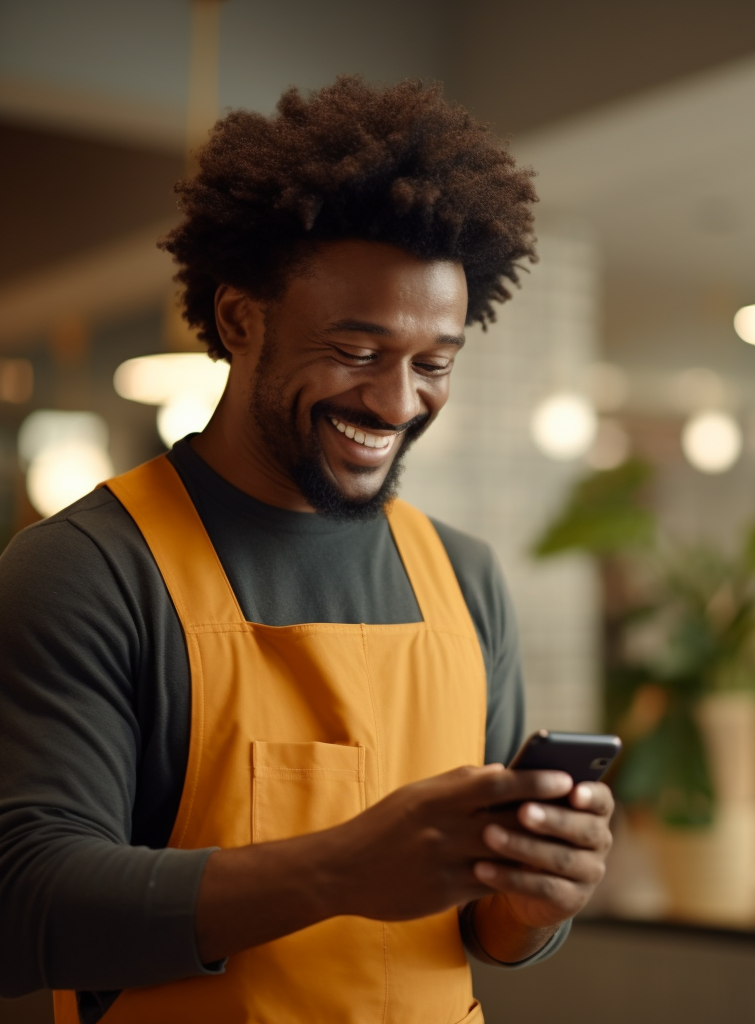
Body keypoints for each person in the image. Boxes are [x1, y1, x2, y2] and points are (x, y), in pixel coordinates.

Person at [0, 77, 614, 1024]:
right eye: (358, 352)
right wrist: (340, 869)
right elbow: (24, 902)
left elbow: (485, 932)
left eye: (434, 363)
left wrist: (532, 906)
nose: (397, 402)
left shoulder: (466, 579)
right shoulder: (87, 570)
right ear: (242, 320)